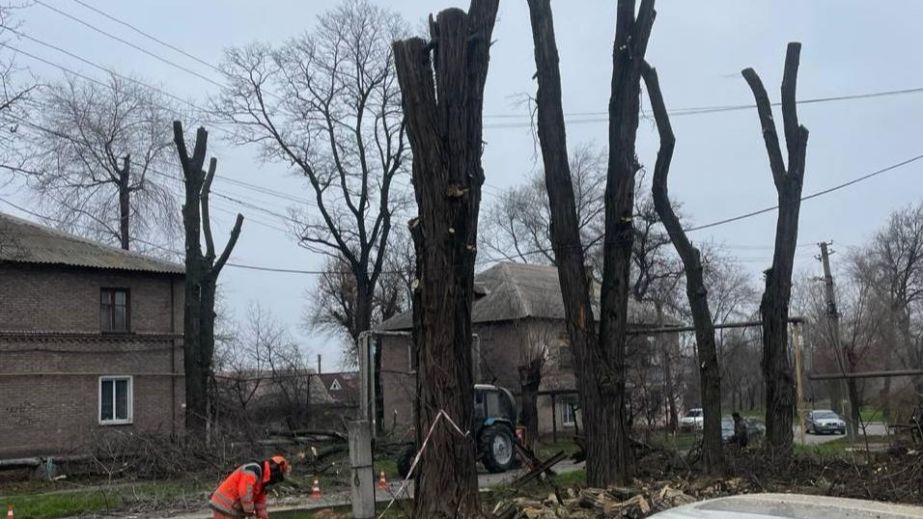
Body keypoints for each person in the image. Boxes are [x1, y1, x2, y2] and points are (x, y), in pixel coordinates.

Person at [209, 455, 290, 519]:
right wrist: (250, 514)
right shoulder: (253, 470)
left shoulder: (263, 481)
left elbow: (260, 505)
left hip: (232, 507)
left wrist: (263, 517)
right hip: (224, 505)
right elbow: (245, 492)